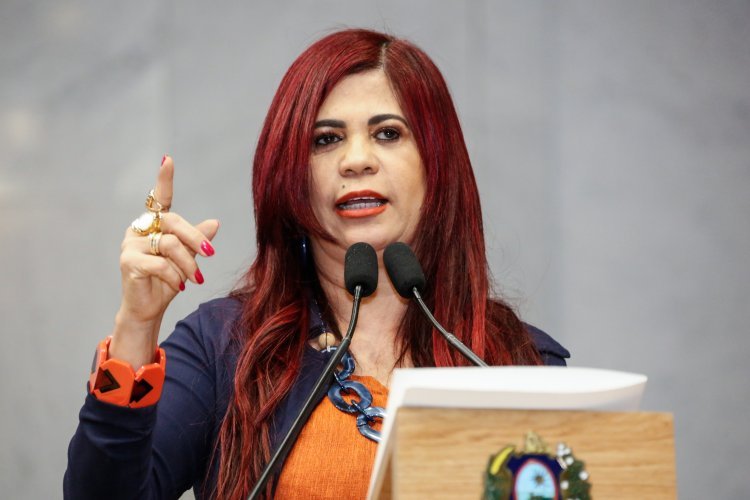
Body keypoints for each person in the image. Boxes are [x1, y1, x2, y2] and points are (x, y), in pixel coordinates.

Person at [64, 28, 569, 500]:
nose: (356, 160)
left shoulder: (517, 363)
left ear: (437, 163)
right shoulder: (225, 346)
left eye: (387, 133)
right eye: (326, 139)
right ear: (291, 177)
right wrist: (137, 324)